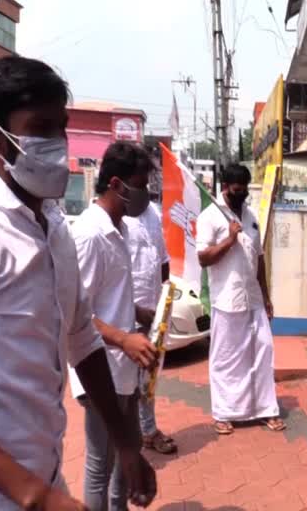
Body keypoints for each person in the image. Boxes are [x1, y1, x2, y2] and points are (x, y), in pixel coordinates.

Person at [0, 56, 156, 510]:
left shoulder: (56, 228)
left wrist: (127, 444)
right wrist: (38, 497)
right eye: (41, 128)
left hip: (44, 476)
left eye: (60, 127)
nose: (57, 143)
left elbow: (82, 341)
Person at [67, 141, 161, 510]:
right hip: (100, 369)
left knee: (128, 455)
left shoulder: (119, 229)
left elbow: (108, 295)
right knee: (99, 466)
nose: (146, 195)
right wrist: (123, 339)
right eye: (141, 186)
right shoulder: (90, 235)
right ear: (117, 184)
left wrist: (138, 313)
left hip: (124, 369)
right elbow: (77, 313)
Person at [196, 163, 285, 435]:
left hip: (254, 299)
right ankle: (224, 413)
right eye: (237, 190)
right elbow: (203, 258)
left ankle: (266, 410)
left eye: (245, 190)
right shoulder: (209, 217)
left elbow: (259, 258)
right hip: (226, 300)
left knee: (262, 352)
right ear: (225, 188)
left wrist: (266, 296)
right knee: (226, 359)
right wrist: (229, 240)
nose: (242, 194)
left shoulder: (250, 215)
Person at [125, 188, 178, 455]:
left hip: (153, 312)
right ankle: (132, 433)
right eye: (139, 182)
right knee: (125, 380)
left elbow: (163, 260)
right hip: (123, 316)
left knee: (148, 377)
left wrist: (163, 299)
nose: (145, 189)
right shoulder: (116, 219)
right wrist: (133, 311)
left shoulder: (153, 215)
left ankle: (146, 430)